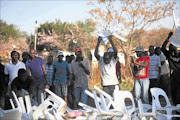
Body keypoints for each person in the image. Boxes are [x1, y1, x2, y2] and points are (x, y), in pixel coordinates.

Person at [161, 32, 180, 105]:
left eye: (173, 48)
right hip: (173, 77)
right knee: (173, 93)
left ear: (176, 49)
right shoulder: (169, 55)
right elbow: (163, 48)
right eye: (170, 49)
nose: (172, 50)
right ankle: (176, 110)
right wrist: (168, 37)